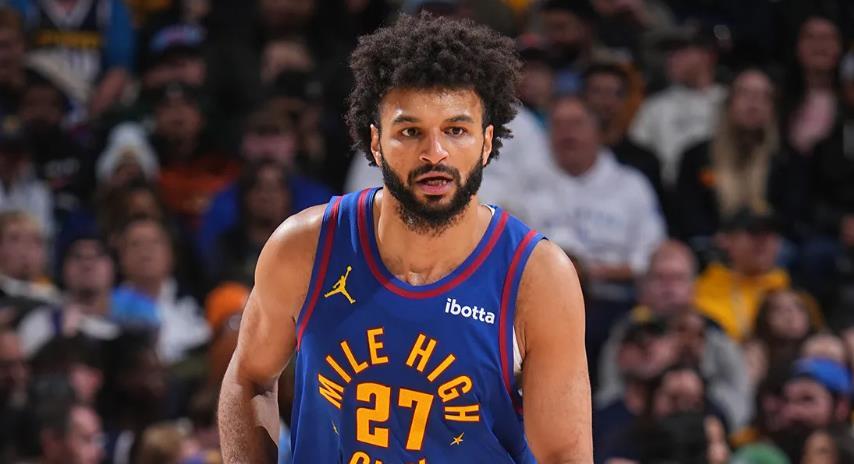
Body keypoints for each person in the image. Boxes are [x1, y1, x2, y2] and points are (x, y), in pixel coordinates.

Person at [219, 14, 592, 464]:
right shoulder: (306, 246)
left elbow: (564, 455)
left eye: (456, 130)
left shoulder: (538, 276)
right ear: (376, 143)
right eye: (410, 132)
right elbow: (248, 378)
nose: (435, 153)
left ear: (486, 142)